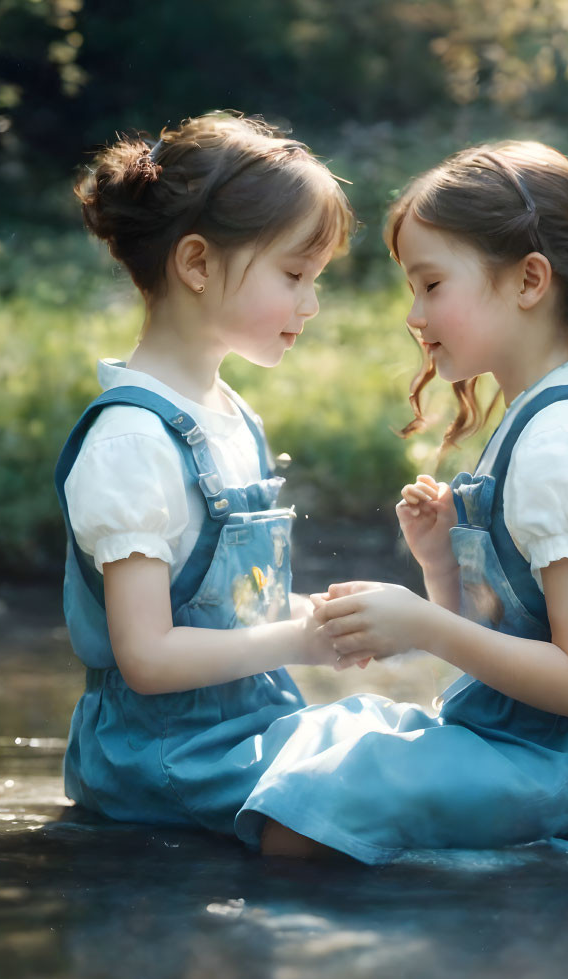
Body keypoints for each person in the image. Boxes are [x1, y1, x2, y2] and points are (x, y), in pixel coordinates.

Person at [239, 140, 568, 862]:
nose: (413, 315)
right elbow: (506, 652)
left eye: (430, 285)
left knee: (310, 812)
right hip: (527, 748)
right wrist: (441, 568)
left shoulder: (567, 442)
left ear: (528, 280)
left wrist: (423, 623)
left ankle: (333, 955)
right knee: (320, 739)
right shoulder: (536, 419)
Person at [54, 112, 353, 833]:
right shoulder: (132, 442)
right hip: (165, 762)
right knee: (382, 794)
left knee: (398, 746)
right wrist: (300, 641)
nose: (310, 305)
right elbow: (149, 657)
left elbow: (227, 610)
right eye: (294, 275)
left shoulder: (230, 416)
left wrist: (318, 614)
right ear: (196, 264)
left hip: (244, 733)